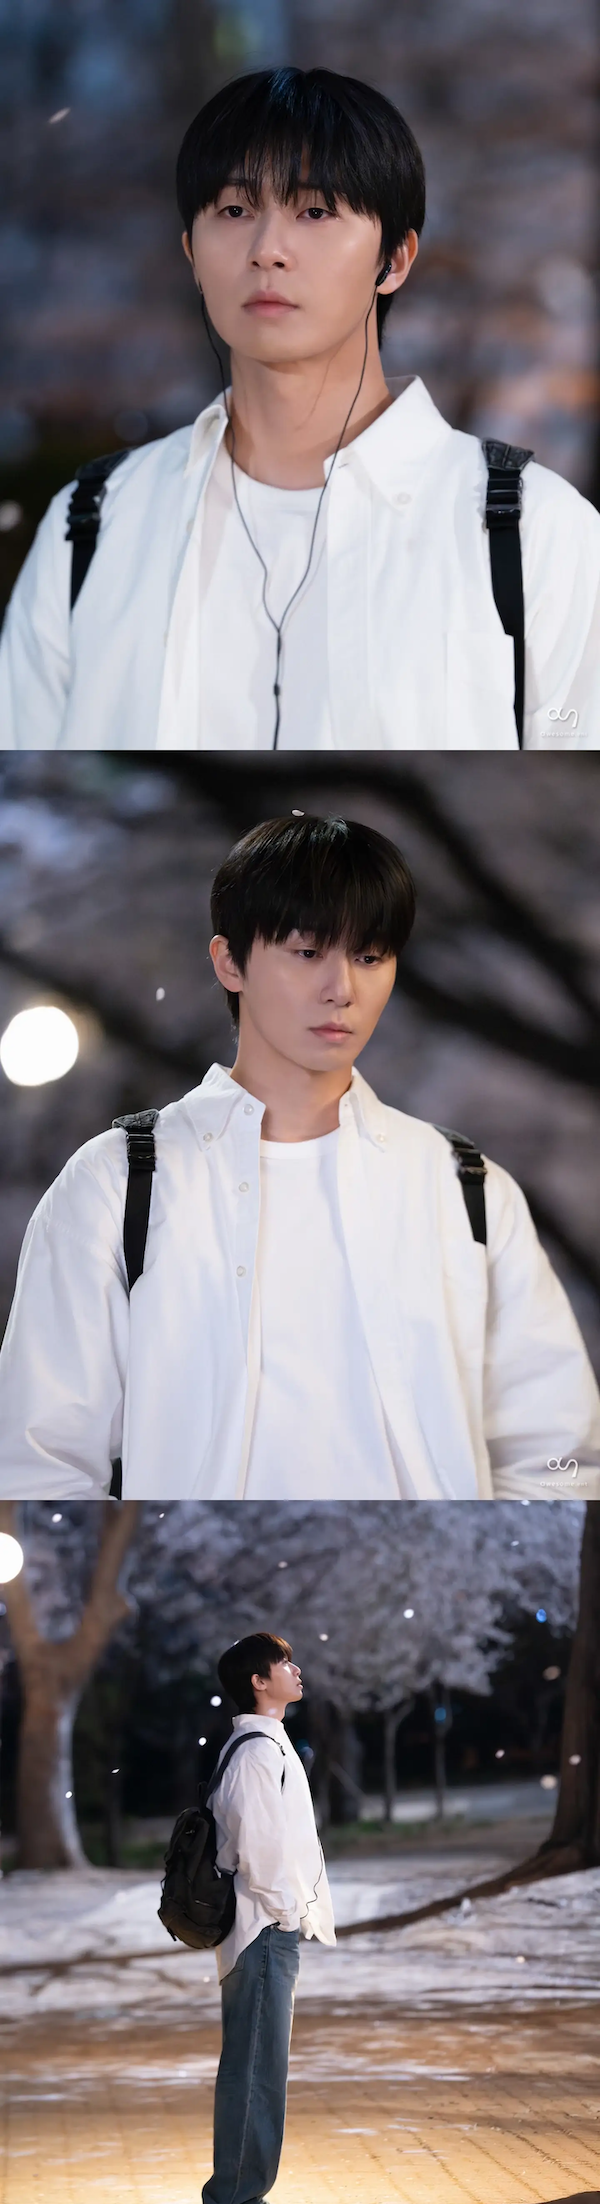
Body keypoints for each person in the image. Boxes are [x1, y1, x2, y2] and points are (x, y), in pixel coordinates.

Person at [0, 811, 599, 1502]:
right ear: (229, 962)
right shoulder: (119, 1184)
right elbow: (37, 1465)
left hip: (432, 1565)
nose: (342, 988)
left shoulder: (467, 1190)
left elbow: (560, 1458)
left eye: (369, 956)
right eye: (308, 952)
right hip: (199, 1569)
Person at [1, 66, 598, 752]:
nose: (267, 251)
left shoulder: (532, 531)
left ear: (395, 259)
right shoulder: (95, 523)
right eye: (234, 210)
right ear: (192, 253)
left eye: (315, 211)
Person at [190, 1630, 334, 2204]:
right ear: (258, 1680)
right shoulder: (255, 1751)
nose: (296, 1671)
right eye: (284, 1662)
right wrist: (285, 1911)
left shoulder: (266, 1743)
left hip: (266, 1926)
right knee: (255, 2069)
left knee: (258, 2066)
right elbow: (259, 1848)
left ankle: (239, 2198)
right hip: (262, 1928)